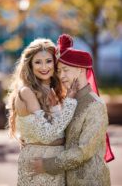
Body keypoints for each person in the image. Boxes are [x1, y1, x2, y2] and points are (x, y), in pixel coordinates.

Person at [30, 34, 114, 186]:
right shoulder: (71, 101)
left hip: (91, 180)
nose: (61, 76)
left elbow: (83, 151)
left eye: (65, 70)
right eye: (59, 71)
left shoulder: (95, 105)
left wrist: (46, 165)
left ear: (81, 69)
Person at [7, 38, 79, 186]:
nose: (44, 67)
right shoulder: (27, 92)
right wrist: (70, 103)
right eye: (38, 62)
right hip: (38, 163)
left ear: (55, 63)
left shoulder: (51, 92)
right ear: (30, 65)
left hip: (54, 163)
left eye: (48, 61)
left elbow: (59, 130)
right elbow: (47, 135)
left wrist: (56, 108)